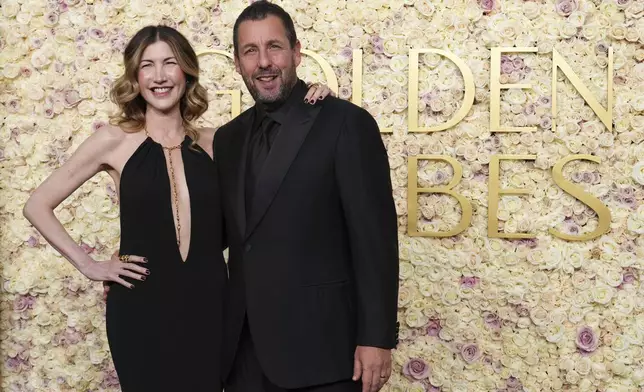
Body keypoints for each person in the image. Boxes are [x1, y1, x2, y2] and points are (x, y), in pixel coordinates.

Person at [23, 25, 332, 391]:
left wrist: (312, 98)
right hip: (140, 308)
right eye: (147, 65)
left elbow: (282, 160)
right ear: (135, 77)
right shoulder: (112, 140)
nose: (159, 76)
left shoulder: (219, 141)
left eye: (169, 63)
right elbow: (37, 204)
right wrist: (89, 265)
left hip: (210, 304)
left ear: (186, 71)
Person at [213, 2, 400, 392]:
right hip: (244, 357)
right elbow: (221, 236)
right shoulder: (227, 139)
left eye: (274, 47)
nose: (264, 62)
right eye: (250, 51)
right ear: (237, 63)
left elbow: (374, 239)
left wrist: (377, 337)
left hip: (325, 355)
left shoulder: (346, 124)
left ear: (296, 52)